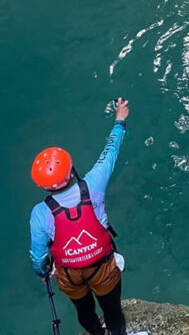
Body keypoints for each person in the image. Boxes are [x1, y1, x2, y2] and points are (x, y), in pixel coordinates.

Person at [29, 98, 130, 335]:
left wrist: (43, 273)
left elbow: (39, 255)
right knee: (113, 310)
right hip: (102, 266)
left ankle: (97, 333)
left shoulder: (40, 213)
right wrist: (120, 120)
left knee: (84, 311)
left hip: (69, 274)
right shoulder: (94, 183)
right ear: (71, 170)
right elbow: (110, 151)